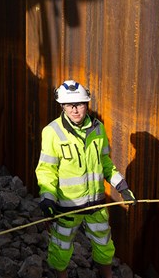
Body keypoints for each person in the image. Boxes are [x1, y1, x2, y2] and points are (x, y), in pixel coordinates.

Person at [35, 80, 136, 278]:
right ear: (62, 106)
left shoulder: (98, 130)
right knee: (60, 250)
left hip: (95, 206)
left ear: (87, 104)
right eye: (69, 105)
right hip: (66, 208)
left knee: (104, 247)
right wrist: (47, 198)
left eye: (79, 104)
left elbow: (105, 163)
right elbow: (47, 170)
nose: (75, 110)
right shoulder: (52, 132)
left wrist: (122, 187)